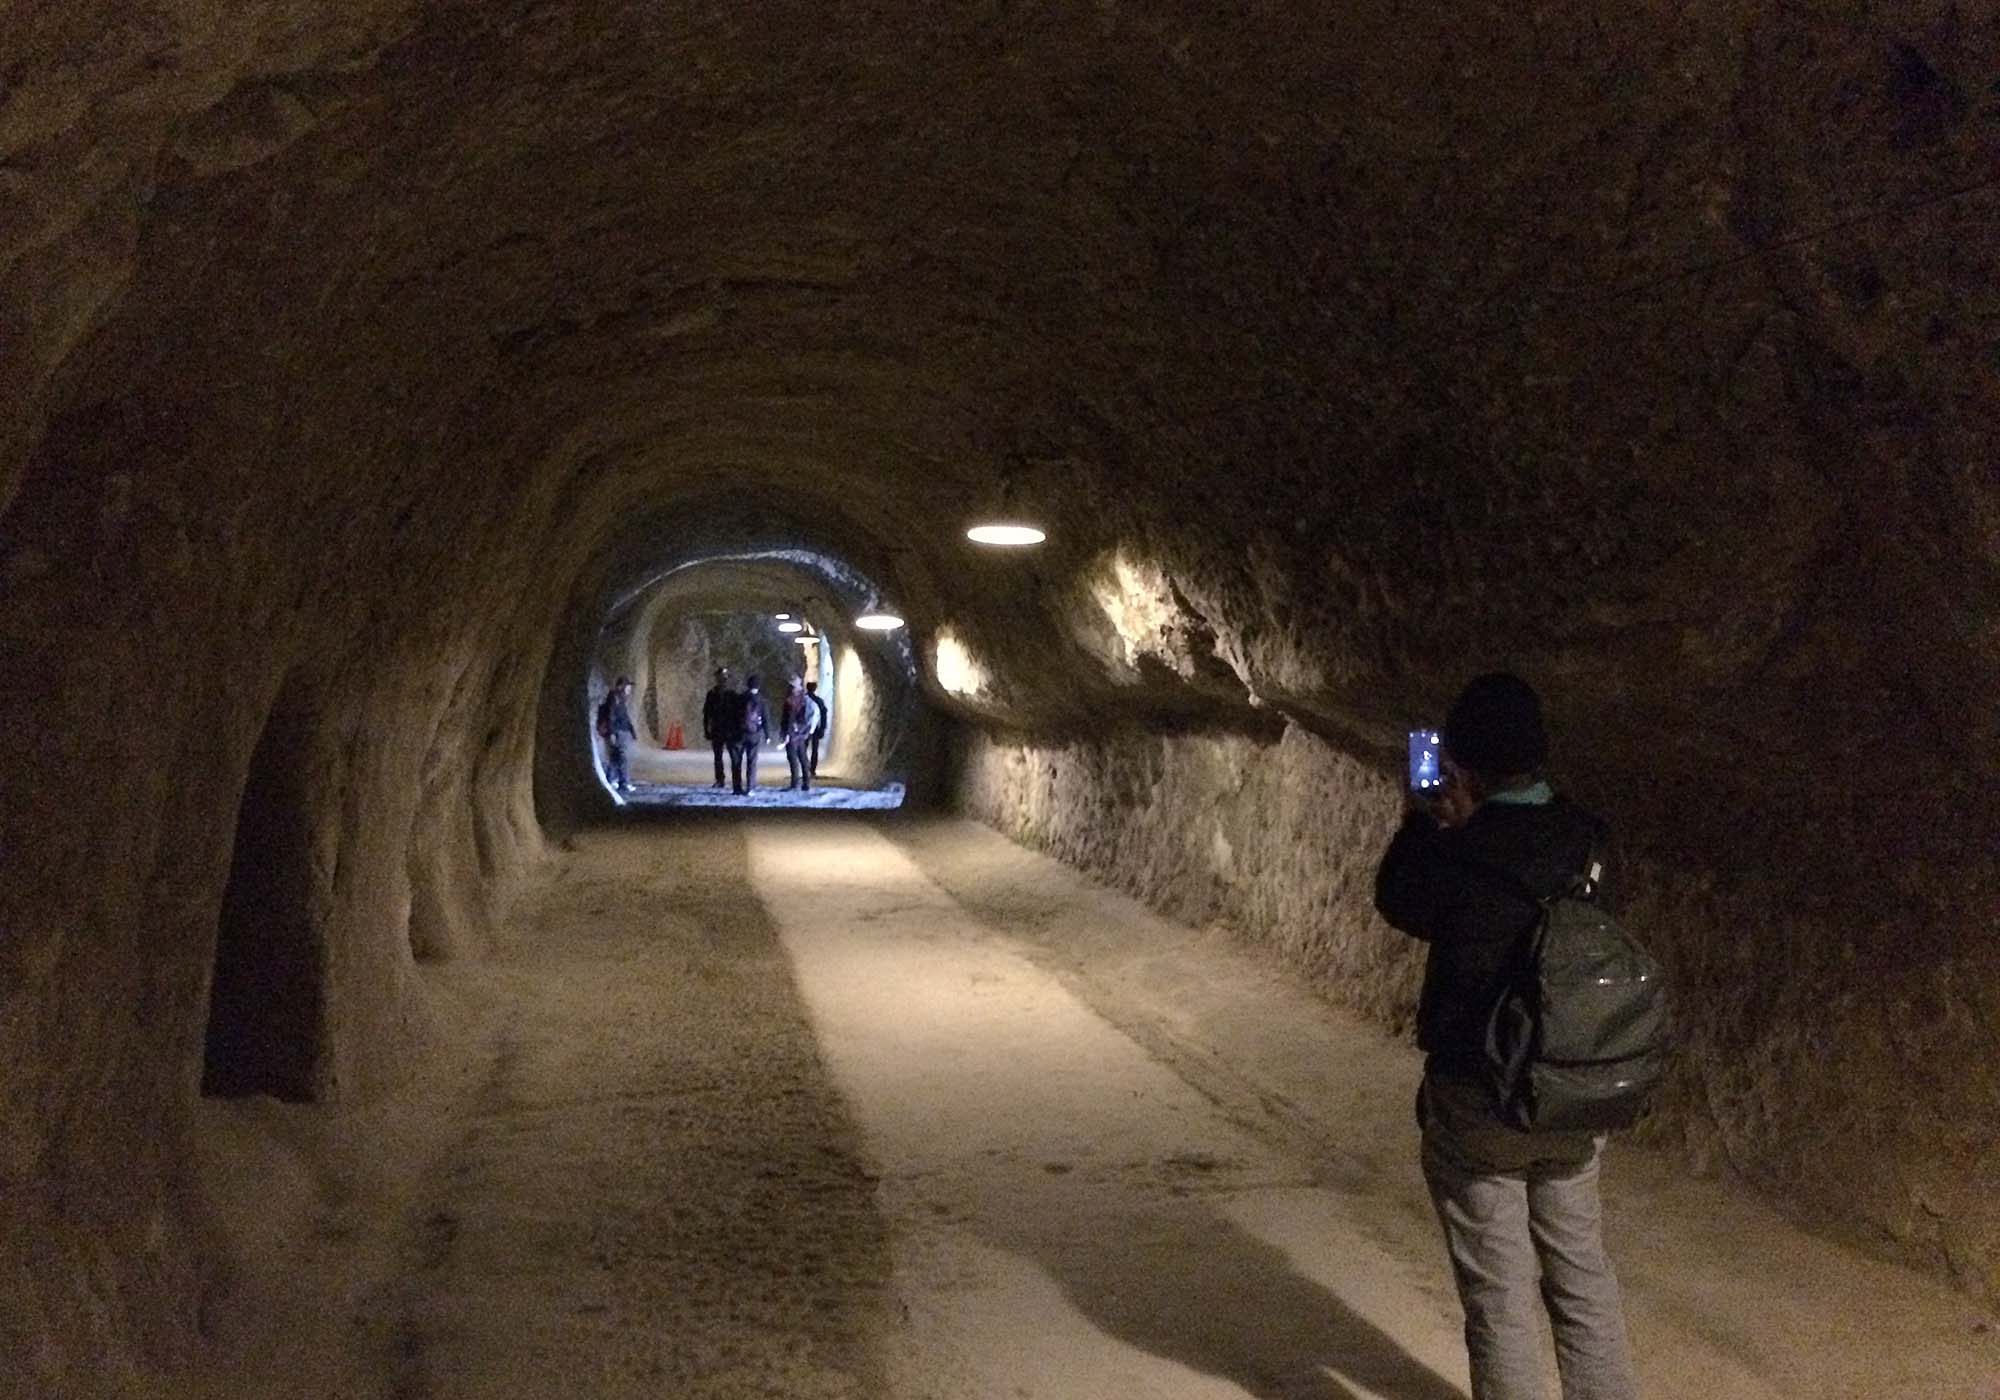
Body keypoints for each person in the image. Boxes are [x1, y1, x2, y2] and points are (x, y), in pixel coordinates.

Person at [1373, 672, 1638, 1400]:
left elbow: (1399, 901)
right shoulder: (1588, 837)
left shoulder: (1459, 846)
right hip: (1571, 1090)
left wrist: (1426, 820)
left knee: (1501, 1294)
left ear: (1460, 763)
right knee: (1582, 1276)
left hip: (1481, 1095)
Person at [731, 673, 770, 795]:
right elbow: (765, 718)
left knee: (736, 761)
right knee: (751, 761)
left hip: (739, 733)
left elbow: (733, 716)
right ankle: (750, 787)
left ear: (747, 685)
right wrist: (767, 735)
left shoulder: (740, 698)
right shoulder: (761, 700)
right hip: (754, 734)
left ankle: (737, 787)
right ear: (758, 686)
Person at [603, 676, 638, 796]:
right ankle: (624, 782)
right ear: (622, 686)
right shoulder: (615, 697)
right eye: (628, 686)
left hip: (622, 730)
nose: (629, 689)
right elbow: (611, 715)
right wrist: (612, 732)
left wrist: (632, 730)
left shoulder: (621, 698)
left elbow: (625, 716)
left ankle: (611, 779)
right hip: (619, 731)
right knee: (623, 757)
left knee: (615, 756)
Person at [701, 667, 735, 788]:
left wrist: (706, 728)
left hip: (726, 729)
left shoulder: (730, 694)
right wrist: (706, 729)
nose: (722, 680)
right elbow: (707, 714)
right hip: (720, 729)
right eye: (721, 678)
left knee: (731, 755)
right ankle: (721, 779)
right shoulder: (713, 694)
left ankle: (730, 779)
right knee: (720, 756)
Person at [779, 676, 814, 792]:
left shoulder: (791, 700)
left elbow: (788, 718)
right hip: (801, 732)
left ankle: (795, 783)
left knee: (793, 758)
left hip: (792, 733)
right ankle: (806, 783)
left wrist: (786, 734)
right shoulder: (804, 699)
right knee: (803, 757)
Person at [805, 680, 828, 780]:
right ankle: (812, 769)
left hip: (804, 728)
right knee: (815, 749)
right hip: (816, 728)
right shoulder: (819, 701)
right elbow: (824, 715)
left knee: (803, 749)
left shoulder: (803, 700)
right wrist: (823, 728)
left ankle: (805, 767)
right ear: (815, 689)